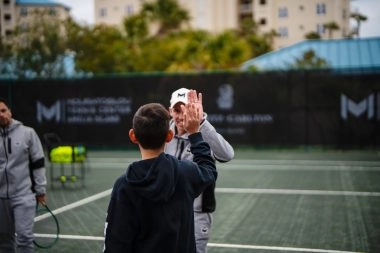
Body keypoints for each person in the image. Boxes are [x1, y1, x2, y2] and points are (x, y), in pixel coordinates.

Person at [103, 101, 217, 253]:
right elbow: (209, 170)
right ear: (169, 136)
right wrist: (195, 134)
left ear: (133, 136)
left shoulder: (124, 185)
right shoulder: (185, 174)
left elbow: (116, 244)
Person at [164, 88, 234, 253]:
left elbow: (227, 155)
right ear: (169, 111)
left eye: (187, 109)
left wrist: (201, 123)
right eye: (177, 110)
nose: (182, 116)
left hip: (197, 214)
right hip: (166, 210)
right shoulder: (162, 133)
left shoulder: (204, 133)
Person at [0, 97, 47, 253]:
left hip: (23, 195)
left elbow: (38, 163)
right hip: (1, 199)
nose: (1, 114)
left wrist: (40, 190)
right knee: (4, 241)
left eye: (3, 110)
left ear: (10, 111)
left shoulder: (28, 133)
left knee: (24, 238)